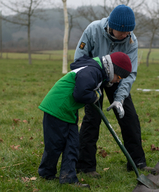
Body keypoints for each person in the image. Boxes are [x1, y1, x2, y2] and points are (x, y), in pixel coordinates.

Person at [74, 4, 155, 178]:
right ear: (112, 27)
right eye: (123, 32)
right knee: (92, 119)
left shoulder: (131, 40)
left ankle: (137, 162)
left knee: (130, 117)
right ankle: (85, 166)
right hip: (93, 76)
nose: (127, 35)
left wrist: (119, 99)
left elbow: (130, 73)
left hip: (117, 79)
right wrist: (90, 85)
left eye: (129, 32)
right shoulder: (93, 30)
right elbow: (79, 59)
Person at [37, 52, 132, 188]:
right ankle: (46, 173)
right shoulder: (92, 70)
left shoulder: (97, 71)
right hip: (57, 108)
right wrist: (95, 96)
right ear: (112, 69)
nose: (118, 80)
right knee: (55, 144)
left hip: (68, 112)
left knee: (73, 145)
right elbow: (80, 93)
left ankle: (68, 178)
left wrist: (97, 92)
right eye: (119, 77)